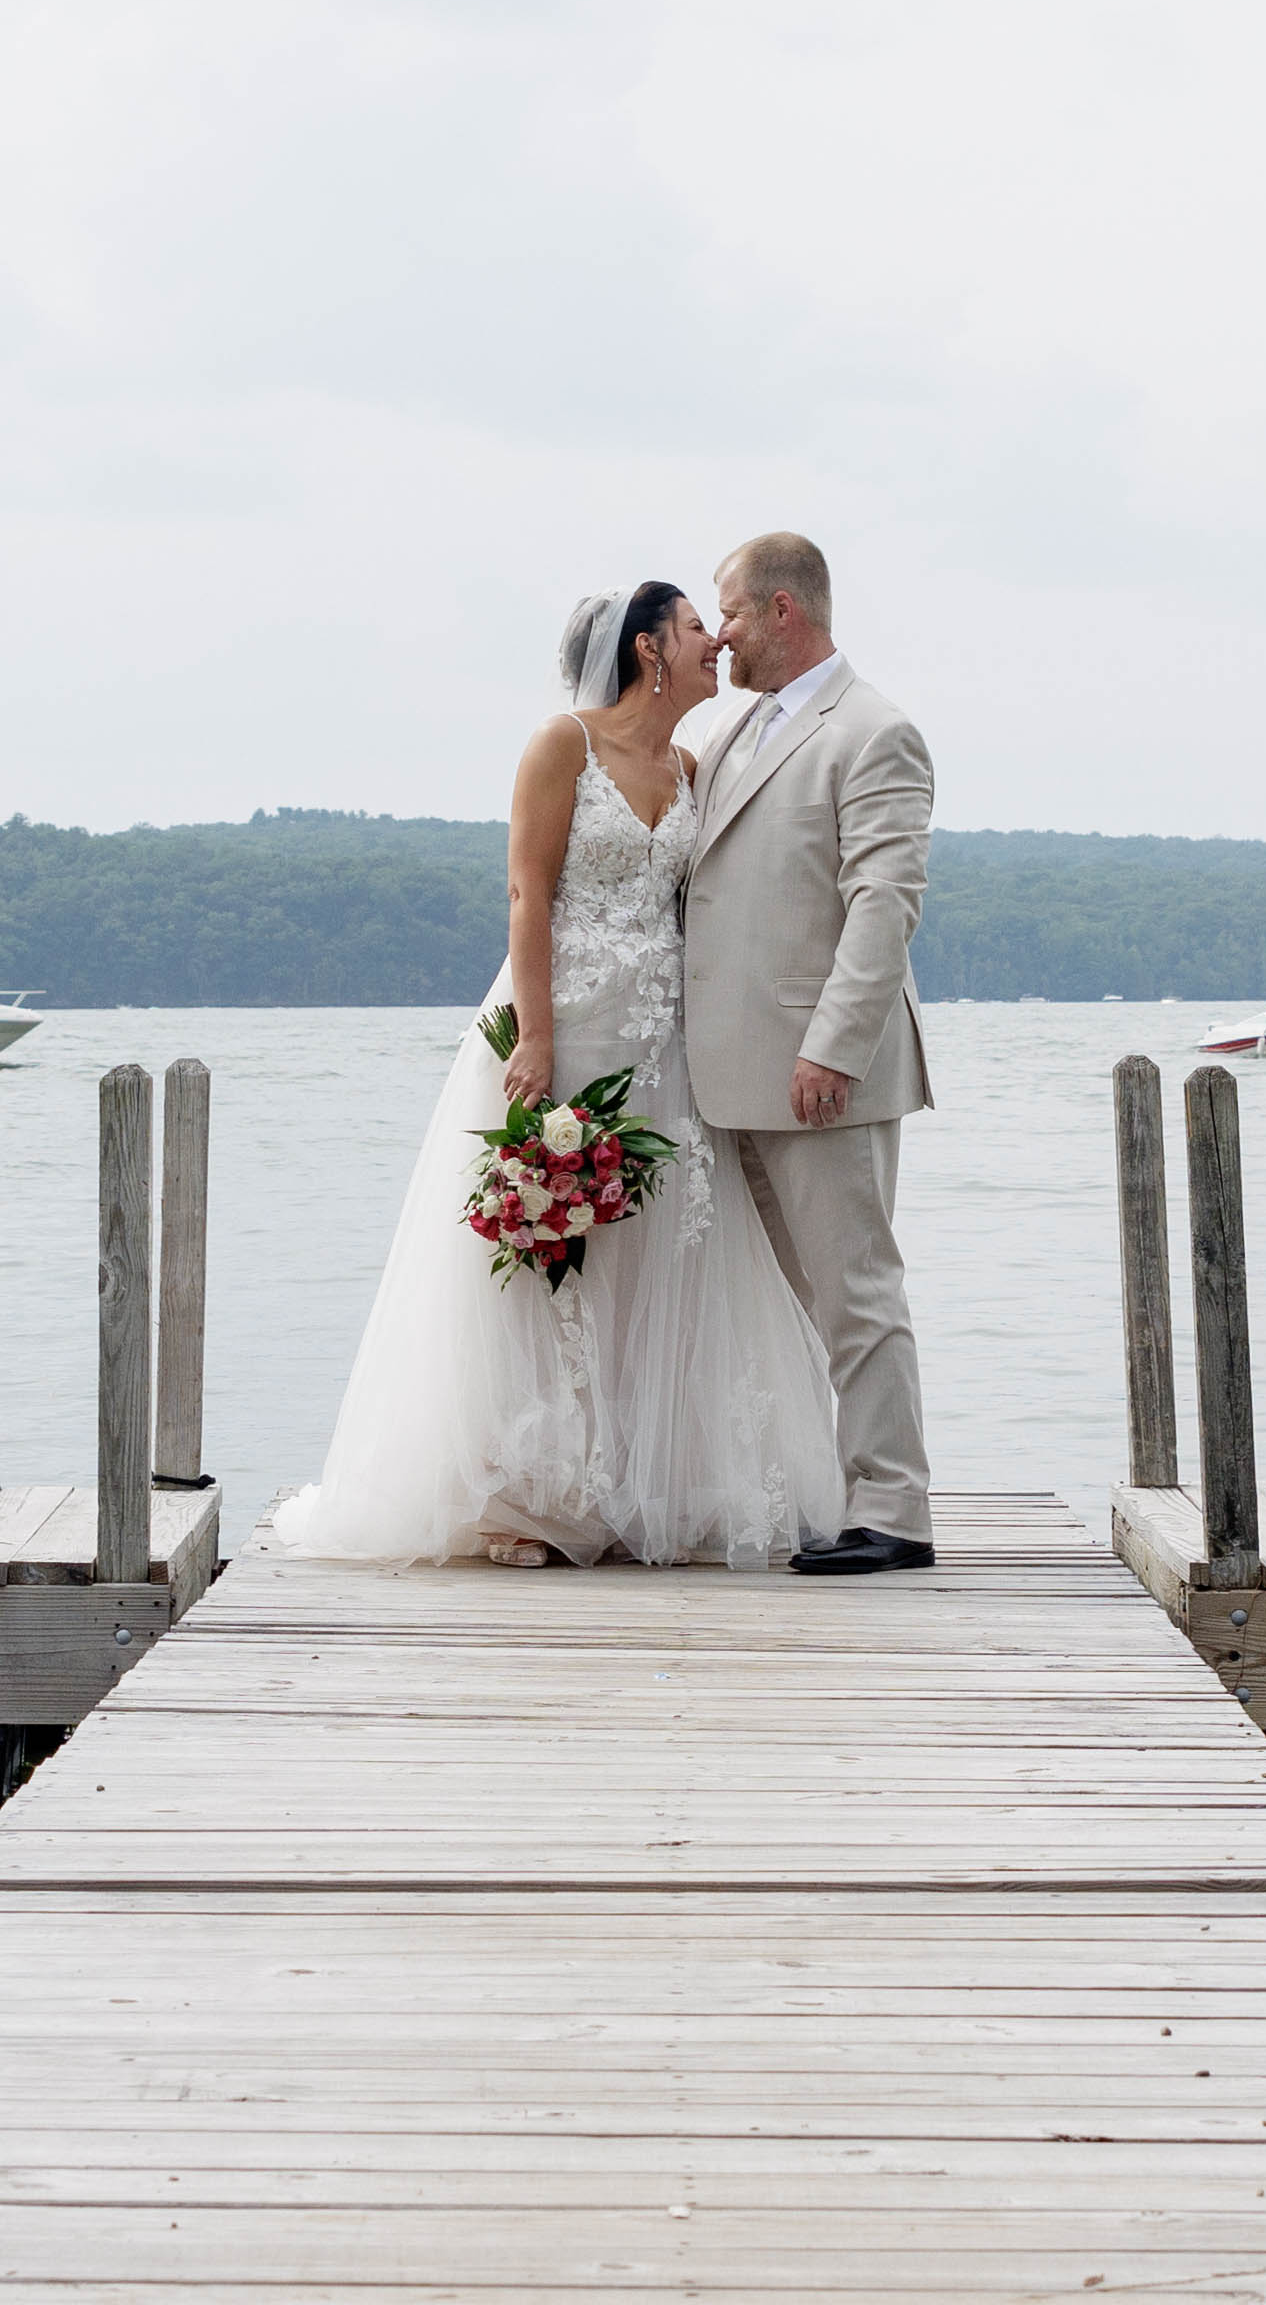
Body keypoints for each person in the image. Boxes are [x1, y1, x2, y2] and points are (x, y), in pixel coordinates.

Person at [259, 580, 850, 1571]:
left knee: (663, 1247)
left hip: (659, 1043)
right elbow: (527, 894)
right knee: (546, 1251)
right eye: (698, 625)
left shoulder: (694, 764)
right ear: (650, 649)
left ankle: (645, 1481)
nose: (716, 640)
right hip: (561, 1026)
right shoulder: (560, 747)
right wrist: (534, 1038)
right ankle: (527, 1492)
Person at [673, 528, 938, 1573]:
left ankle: (895, 1513)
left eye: (728, 611)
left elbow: (882, 907)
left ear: (783, 609)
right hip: (729, 1078)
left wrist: (833, 1046)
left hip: (822, 1078)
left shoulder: (873, 731)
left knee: (854, 1295)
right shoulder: (739, 727)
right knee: (781, 1307)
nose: (721, 630)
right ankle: (813, 1490)